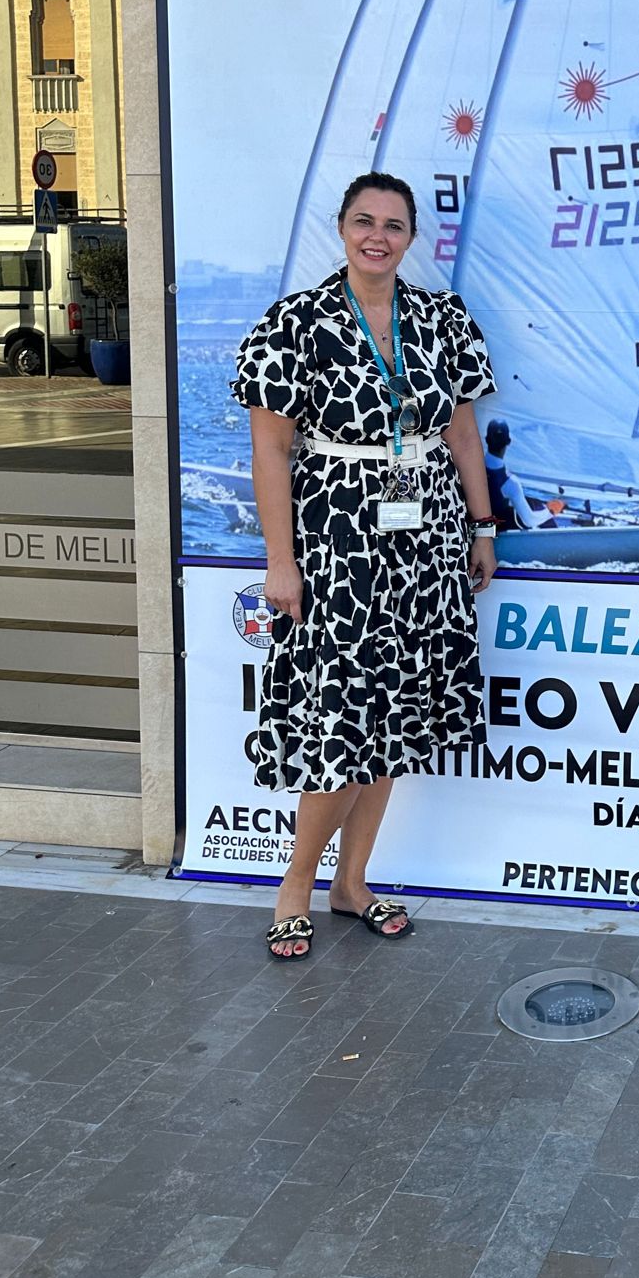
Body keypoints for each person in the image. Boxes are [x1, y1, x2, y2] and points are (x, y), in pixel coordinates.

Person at [234, 172, 500, 961]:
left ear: (411, 237)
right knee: (343, 723)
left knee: (396, 718)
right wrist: (280, 563)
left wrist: (483, 527)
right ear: (342, 228)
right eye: (363, 221)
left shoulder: (441, 320)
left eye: (393, 225)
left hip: (425, 540)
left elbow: (462, 435)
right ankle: (295, 887)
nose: (377, 236)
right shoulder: (294, 323)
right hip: (337, 543)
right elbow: (270, 451)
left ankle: (351, 884)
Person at [484, 417, 552, 531]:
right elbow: (529, 520)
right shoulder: (510, 482)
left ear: (486, 440)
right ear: (509, 441)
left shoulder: (469, 470)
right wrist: (550, 512)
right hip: (493, 537)